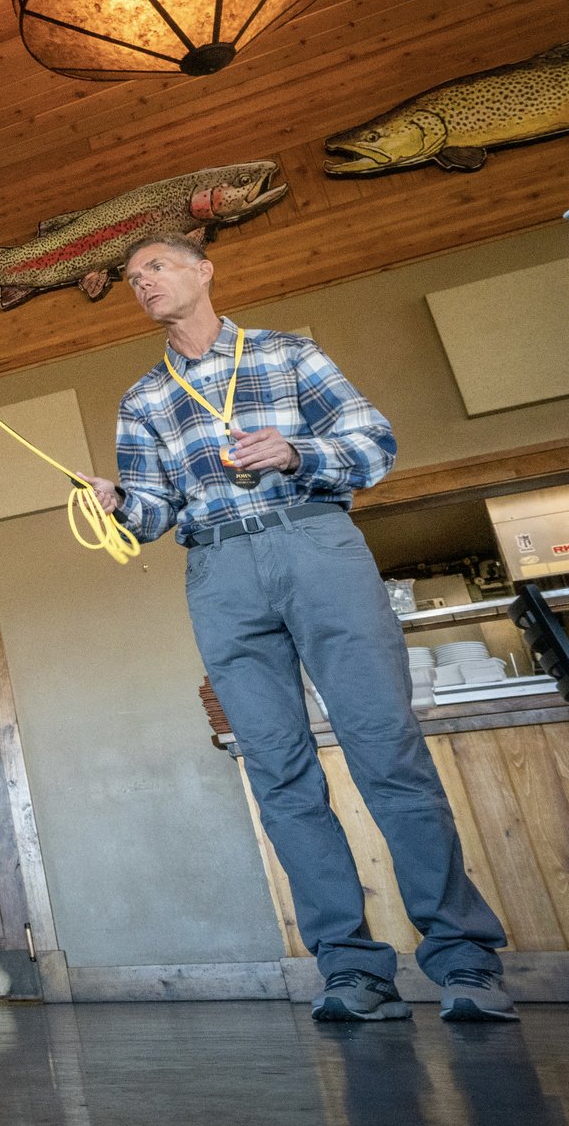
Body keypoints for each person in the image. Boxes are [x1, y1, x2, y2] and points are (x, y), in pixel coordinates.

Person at [88, 234, 514, 1025]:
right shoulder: (144, 398)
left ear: (203, 270)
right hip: (219, 571)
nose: (141, 281)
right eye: (132, 276)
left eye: (156, 266)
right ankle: (351, 971)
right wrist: (119, 504)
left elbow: (373, 445)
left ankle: (466, 963)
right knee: (278, 773)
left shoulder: (288, 354)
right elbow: (153, 512)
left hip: (315, 540)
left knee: (385, 749)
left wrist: (295, 451)